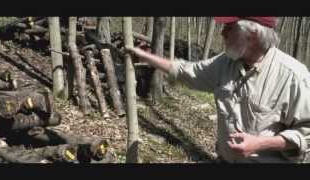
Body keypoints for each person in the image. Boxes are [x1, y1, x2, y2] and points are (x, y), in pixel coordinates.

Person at [127, 17, 310, 163]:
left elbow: (307, 132)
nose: (222, 33)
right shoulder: (224, 63)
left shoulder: (293, 76)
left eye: (229, 28)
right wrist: (144, 56)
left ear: (252, 34)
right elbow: (185, 71)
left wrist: (260, 144)